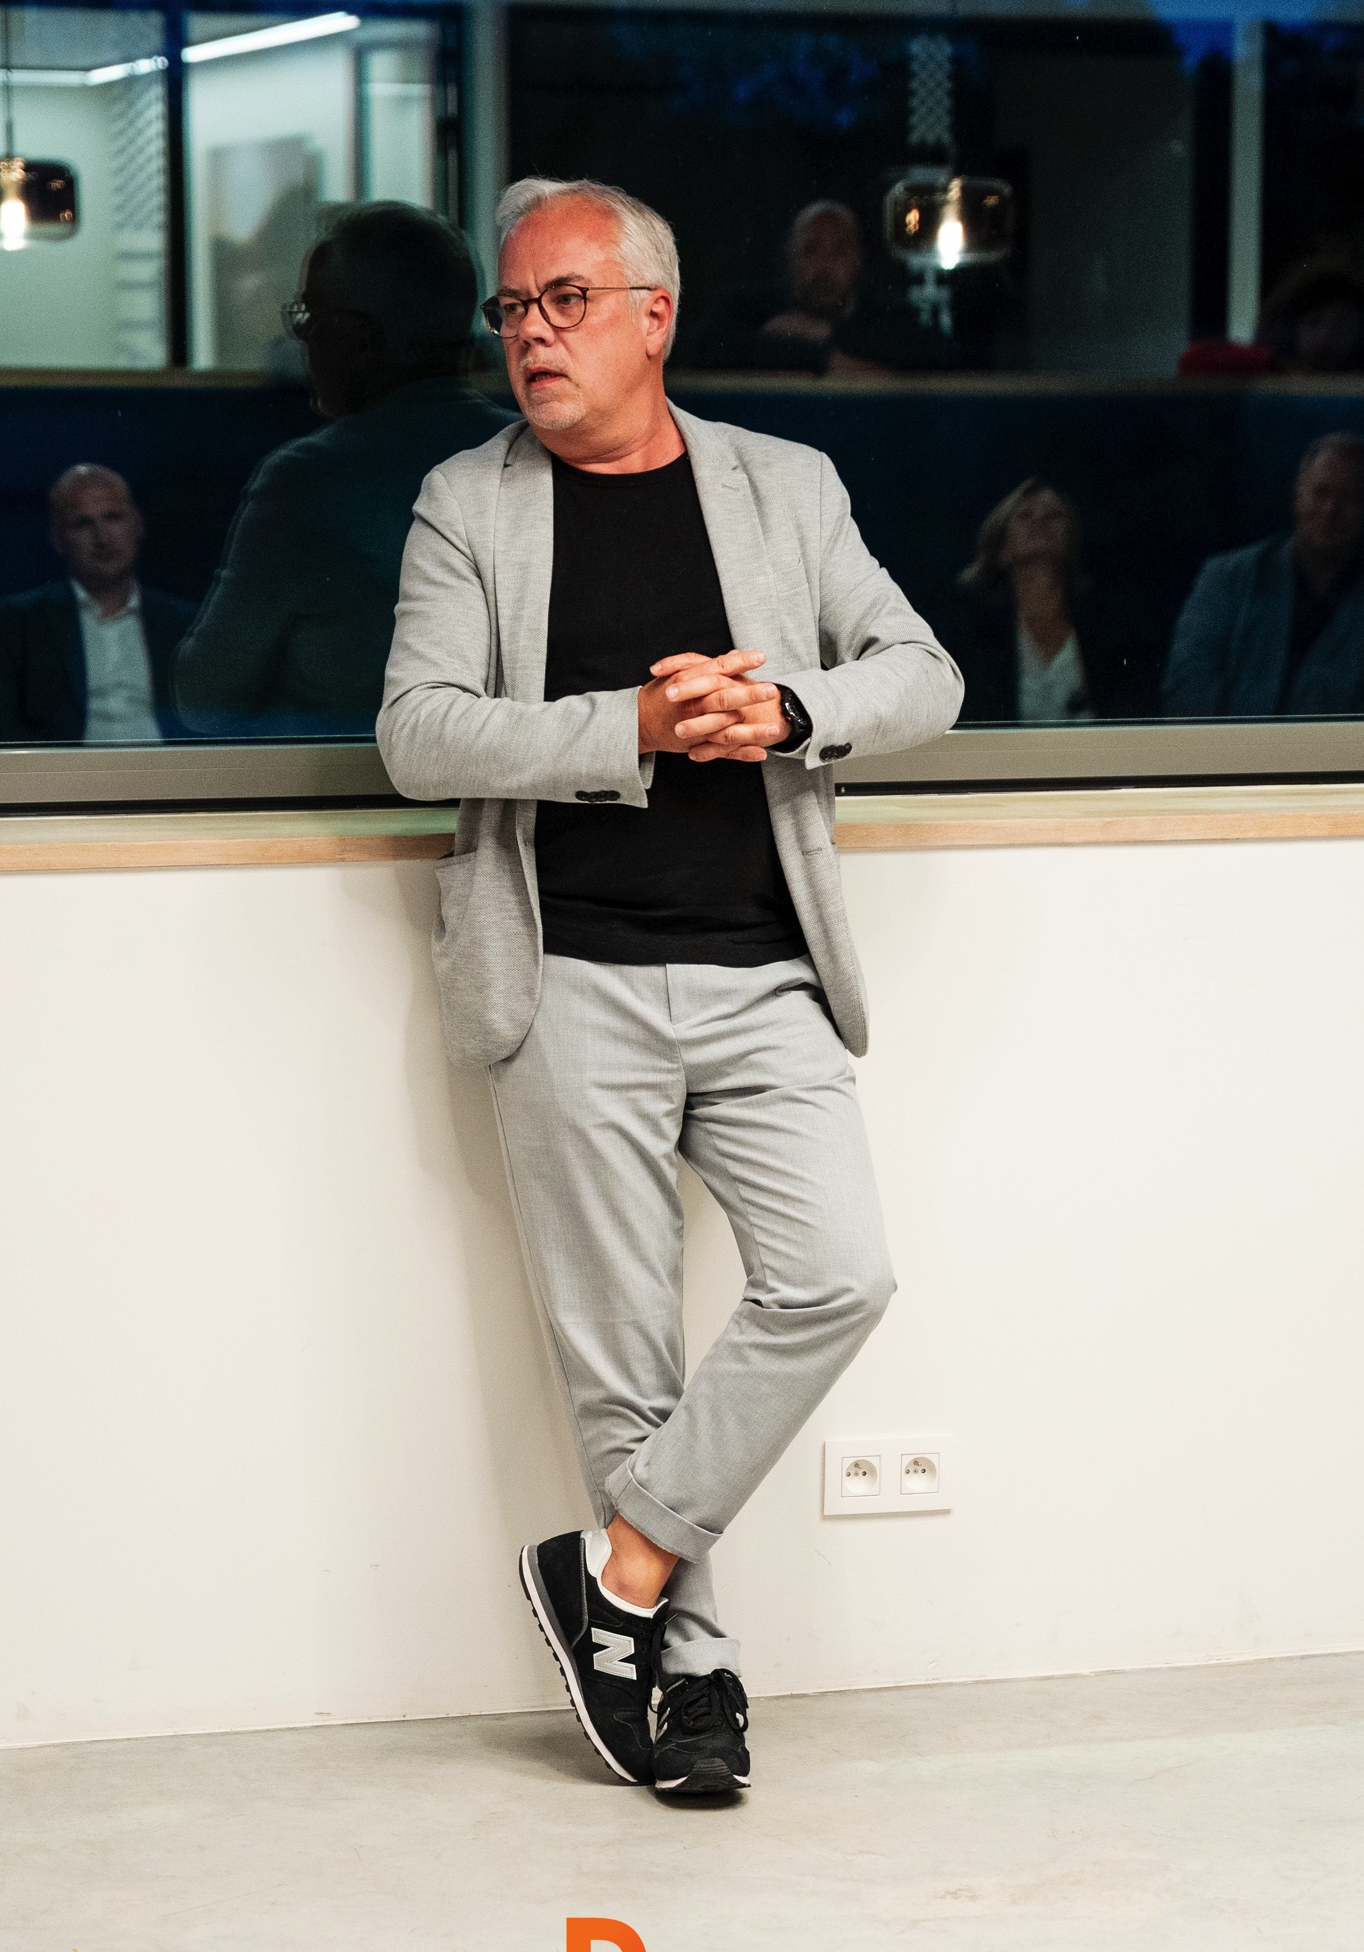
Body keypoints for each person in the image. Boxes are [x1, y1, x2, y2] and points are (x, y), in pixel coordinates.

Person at [379, 177, 962, 1798]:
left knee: (837, 1275)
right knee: (622, 1367)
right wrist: (624, 728)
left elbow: (924, 674)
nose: (531, 336)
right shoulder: (467, 503)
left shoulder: (784, 486)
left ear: (655, 316)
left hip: (765, 974)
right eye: (510, 309)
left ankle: (613, 1577)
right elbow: (416, 731)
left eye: (563, 301)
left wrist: (785, 712)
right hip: (565, 974)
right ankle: (686, 1679)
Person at [174, 202, 517, 739]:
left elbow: (206, 699)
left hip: (341, 784)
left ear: (359, 342)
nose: (300, 338)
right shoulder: (534, 455)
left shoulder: (303, 482)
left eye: (309, 316)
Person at [1163, 432, 1364, 718]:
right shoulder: (1225, 579)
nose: (1330, 510)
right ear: (1298, 494)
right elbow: (1186, 690)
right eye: (1321, 492)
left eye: (1349, 498)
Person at [0, 466, 191, 745]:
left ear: (138, 524)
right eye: (83, 523)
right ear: (58, 539)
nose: (102, 538)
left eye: (113, 517)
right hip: (64, 772)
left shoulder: (188, 623)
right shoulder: (11, 624)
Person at [948, 479, 1148, 722]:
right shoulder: (973, 632)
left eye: (1053, 515)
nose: (1040, 521)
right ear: (1001, 549)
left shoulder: (1109, 623)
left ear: (1071, 539)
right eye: (1025, 515)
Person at [680, 200, 925, 377]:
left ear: (859, 260)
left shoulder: (889, 317)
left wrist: (827, 334)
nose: (824, 265)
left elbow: (925, 354)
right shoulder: (750, 306)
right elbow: (704, 347)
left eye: (840, 252)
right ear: (790, 255)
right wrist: (820, 357)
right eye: (811, 250)